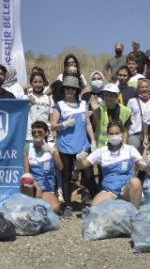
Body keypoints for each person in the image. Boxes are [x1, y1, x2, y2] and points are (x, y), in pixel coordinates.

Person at [49, 76, 96, 217]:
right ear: (63, 89)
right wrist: (63, 124)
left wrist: (93, 141)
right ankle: (67, 205)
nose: (70, 90)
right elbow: (52, 125)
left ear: (77, 90)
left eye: (73, 88)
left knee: (88, 175)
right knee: (66, 175)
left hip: (82, 145)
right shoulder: (59, 106)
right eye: (67, 88)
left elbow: (87, 124)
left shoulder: (83, 104)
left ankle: (97, 201)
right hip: (65, 146)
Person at [76, 122, 149, 208]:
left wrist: (148, 162)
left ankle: (134, 215)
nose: (114, 136)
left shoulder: (130, 149)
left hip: (126, 190)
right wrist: (79, 159)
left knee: (136, 182)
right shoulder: (101, 152)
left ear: (121, 134)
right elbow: (82, 166)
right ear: (107, 135)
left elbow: (143, 166)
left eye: (117, 133)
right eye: (111, 134)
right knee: (95, 207)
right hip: (110, 190)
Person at [21, 121, 63, 214]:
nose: (36, 134)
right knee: (26, 181)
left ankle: (36, 207)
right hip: (32, 185)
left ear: (46, 133)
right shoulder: (27, 147)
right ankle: (31, 206)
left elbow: (60, 167)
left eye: (39, 132)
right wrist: (37, 187)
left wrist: (52, 152)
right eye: (34, 132)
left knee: (55, 209)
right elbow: (27, 173)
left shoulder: (52, 147)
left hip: (47, 186)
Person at [88, 83, 132, 148]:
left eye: (111, 96)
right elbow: (95, 126)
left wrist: (124, 147)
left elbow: (125, 132)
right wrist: (95, 111)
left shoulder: (126, 111)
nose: (108, 98)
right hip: (101, 147)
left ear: (117, 96)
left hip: (118, 146)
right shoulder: (99, 108)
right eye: (106, 95)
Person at [125, 79, 150, 148]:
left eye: (146, 87)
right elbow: (127, 120)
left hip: (149, 135)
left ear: (149, 89)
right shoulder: (132, 101)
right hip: (134, 134)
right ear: (138, 89)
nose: (144, 89)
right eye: (142, 87)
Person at [26, 71, 53, 142]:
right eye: (35, 82)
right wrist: (28, 104)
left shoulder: (48, 98)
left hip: (47, 135)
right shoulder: (27, 97)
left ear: (43, 82)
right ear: (31, 83)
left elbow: (51, 119)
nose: (38, 84)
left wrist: (54, 134)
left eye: (40, 82)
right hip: (31, 135)